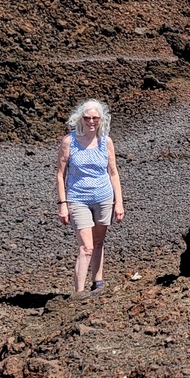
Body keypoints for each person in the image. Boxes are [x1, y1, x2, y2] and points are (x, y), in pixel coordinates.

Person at [56, 99, 125, 294]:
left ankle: (98, 282)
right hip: (78, 199)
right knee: (86, 247)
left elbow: (113, 173)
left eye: (95, 118)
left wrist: (119, 203)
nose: (91, 122)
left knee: (98, 242)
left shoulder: (106, 142)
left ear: (102, 120)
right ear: (81, 119)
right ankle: (78, 293)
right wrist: (62, 204)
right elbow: (60, 175)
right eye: (87, 118)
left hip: (103, 197)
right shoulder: (69, 142)